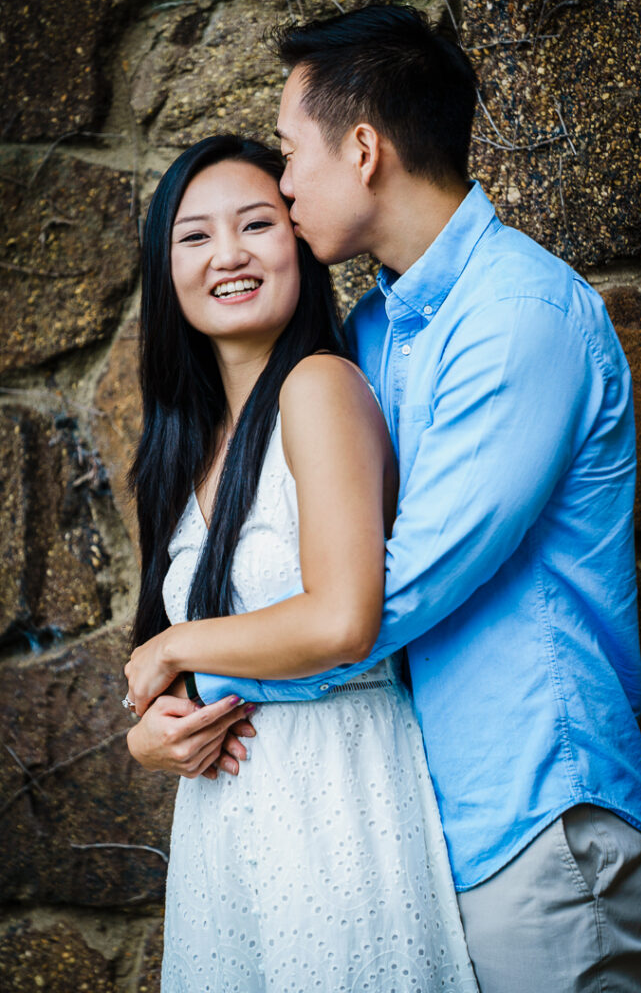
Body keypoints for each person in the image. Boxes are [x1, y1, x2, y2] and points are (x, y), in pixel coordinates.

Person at [133, 5, 641, 992]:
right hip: (423, 814)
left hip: (531, 811)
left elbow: (388, 592)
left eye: (289, 156)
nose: (283, 187)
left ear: (363, 148)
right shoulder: (376, 329)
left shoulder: (518, 317)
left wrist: (190, 673)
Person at [124, 133, 479, 992]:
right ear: (163, 271)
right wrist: (149, 737)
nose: (229, 255)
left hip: (335, 795)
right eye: (195, 236)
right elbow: (155, 672)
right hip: (222, 825)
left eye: (256, 224)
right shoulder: (177, 448)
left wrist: (179, 647)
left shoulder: (319, 387)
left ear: (300, 245)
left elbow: (342, 618)